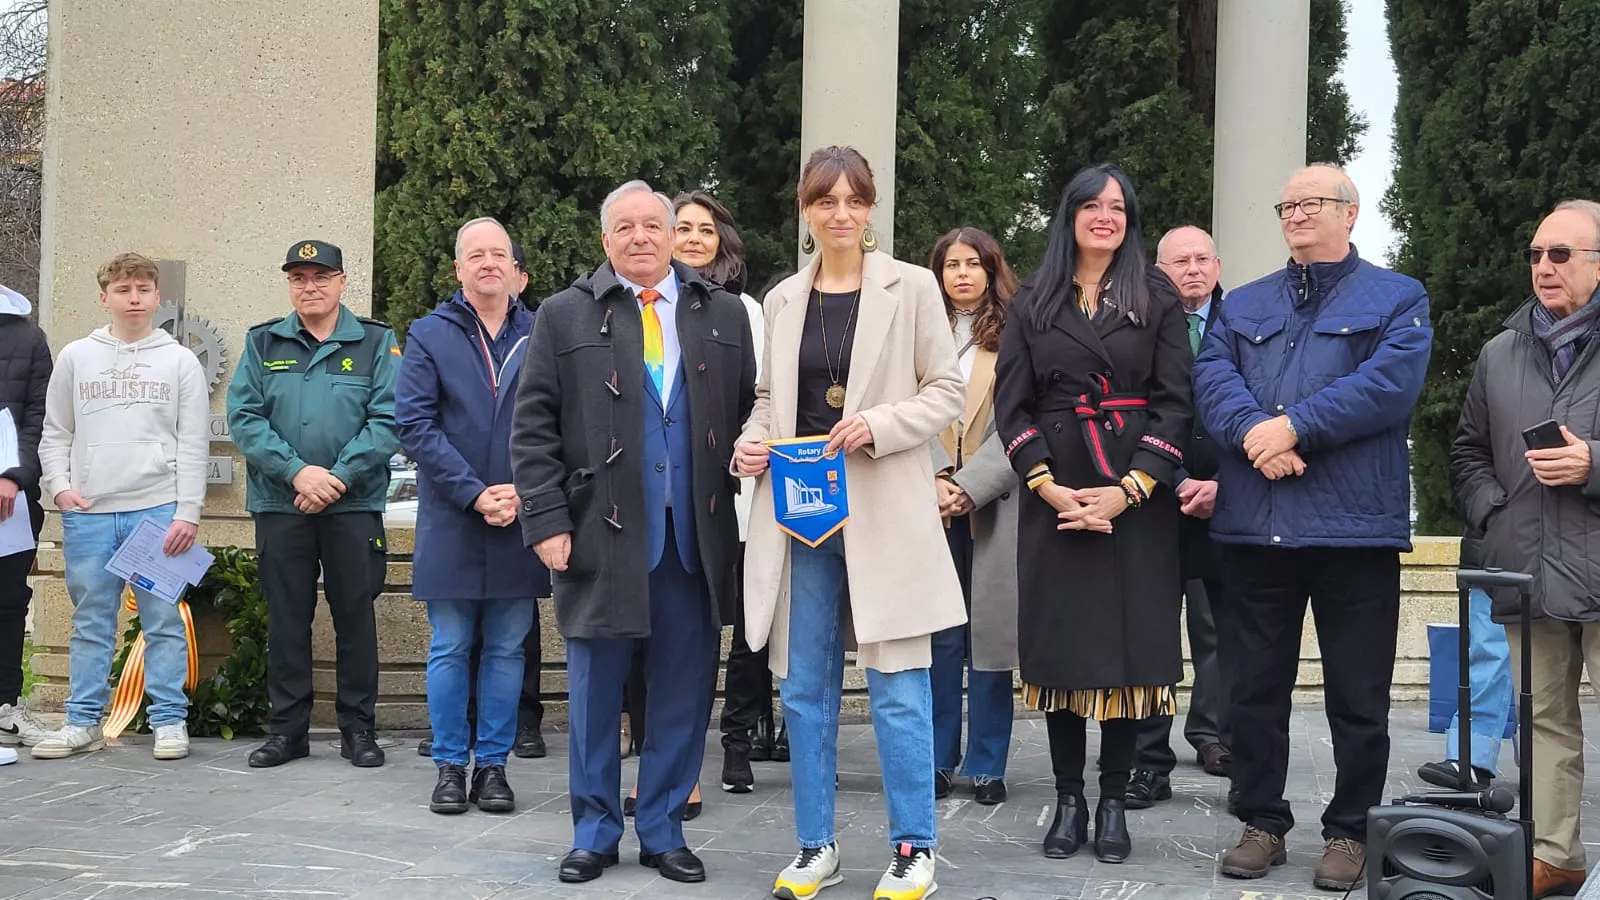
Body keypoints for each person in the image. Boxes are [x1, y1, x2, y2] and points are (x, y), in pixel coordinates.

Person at [1193, 165, 1432, 892]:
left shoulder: (1398, 298)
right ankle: (1261, 820)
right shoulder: (1247, 302)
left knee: (1358, 696)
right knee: (1253, 691)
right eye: (1286, 204)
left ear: (1350, 213)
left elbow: (1386, 387)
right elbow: (1212, 378)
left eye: (1312, 202)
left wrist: (1293, 427)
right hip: (1256, 530)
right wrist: (1256, 436)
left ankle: (1351, 830)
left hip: (1353, 532)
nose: (1295, 213)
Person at [735, 145, 965, 900]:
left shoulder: (915, 287)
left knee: (899, 684)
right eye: (825, 201)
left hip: (886, 512)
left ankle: (914, 846)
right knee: (803, 688)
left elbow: (945, 393)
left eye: (853, 201)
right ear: (805, 209)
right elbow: (770, 398)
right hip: (801, 515)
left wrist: (878, 423)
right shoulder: (781, 299)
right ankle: (815, 845)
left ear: (870, 209)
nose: (840, 214)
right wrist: (752, 438)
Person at [511, 180, 756, 886]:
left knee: (684, 690)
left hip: (694, 540)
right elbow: (532, 431)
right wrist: (546, 522)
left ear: (675, 233)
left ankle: (663, 827)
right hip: (599, 536)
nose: (643, 237)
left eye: (656, 224)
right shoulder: (562, 317)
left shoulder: (725, 314)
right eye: (627, 227)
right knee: (593, 694)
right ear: (605, 240)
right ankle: (593, 831)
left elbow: (748, 415)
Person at [994, 164, 1192, 865]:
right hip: (1057, 496)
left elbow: (1176, 402)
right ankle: (1069, 798)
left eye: (1118, 206)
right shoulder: (1033, 300)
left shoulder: (1157, 295)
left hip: (1134, 500)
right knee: (1063, 657)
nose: (1105, 216)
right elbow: (1010, 407)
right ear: (1069, 214)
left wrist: (1132, 488)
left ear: (1130, 218)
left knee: (1127, 657)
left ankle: (1114, 803)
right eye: (1091, 205)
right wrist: (1047, 488)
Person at [1450, 198, 1600, 898]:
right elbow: (1469, 450)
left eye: (1561, 255)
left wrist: (1594, 465)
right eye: (1537, 254)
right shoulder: (1500, 351)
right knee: (1544, 720)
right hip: (1530, 571)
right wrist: (1495, 512)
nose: (1544, 267)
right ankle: (1555, 854)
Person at [228, 240, 400, 770]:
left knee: (355, 618)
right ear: (289, 286)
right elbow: (245, 417)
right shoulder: (263, 342)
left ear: (342, 282)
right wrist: (298, 472)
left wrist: (338, 477)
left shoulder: (375, 341)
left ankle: (358, 730)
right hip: (283, 503)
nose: (310, 287)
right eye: (299, 278)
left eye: (321, 277)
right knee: (286, 620)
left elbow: (388, 419)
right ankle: (288, 731)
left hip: (353, 505)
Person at [397, 217, 549, 815]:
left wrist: (520, 490)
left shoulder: (541, 332)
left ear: (514, 269)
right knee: (451, 645)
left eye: (499, 254)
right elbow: (414, 425)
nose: (488, 263)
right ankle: (449, 766)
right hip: (454, 516)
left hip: (522, 514)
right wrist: (474, 492)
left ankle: (493, 766)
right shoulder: (429, 334)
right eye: (475, 255)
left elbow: (554, 422)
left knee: (510, 648)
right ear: (457, 269)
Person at [32, 253, 208, 761]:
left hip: (157, 510)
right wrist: (61, 487)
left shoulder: (179, 361)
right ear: (104, 296)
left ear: (157, 298)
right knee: (91, 619)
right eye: (124, 289)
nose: (134, 298)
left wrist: (187, 513)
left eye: (143, 290)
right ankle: (82, 720)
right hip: (89, 511)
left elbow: (193, 442)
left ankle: (169, 722)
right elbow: (55, 431)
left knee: (163, 620)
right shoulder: (76, 357)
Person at [1127, 225, 1234, 809]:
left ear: (1217, 265)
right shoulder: (1138, 326)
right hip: (1155, 497)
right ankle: (1149, 759)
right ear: (1158, 270)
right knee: (1152, 633)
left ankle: (1215, 735)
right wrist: (1171, 477)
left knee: (1221, 627)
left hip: (1228, 498)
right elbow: (1130, 416)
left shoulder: (1244, 323)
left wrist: (1223, 482)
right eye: (1179, 262)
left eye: (1201, 260)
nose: (1192, 270)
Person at [927, 227, 1020, 807]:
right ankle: (935, 759)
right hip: (929, 502)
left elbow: (1025, 417)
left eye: (972, 263)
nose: (961, 274)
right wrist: (936, 478)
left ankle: (987, 762)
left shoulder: (1017, 334)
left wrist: (970, 485)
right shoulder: (918, 332)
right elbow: (900, 407)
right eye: (950, 264)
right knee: (936, 636)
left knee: (989, 636)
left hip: (994, 499)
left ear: (991, 269)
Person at [0, 284, 53, 760]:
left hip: (9, 501)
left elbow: (39, 416)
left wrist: (13, 475)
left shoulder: (26, 337)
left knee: (8, 602)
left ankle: (4, 707)